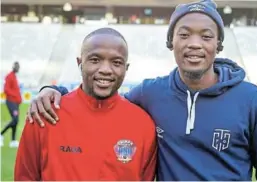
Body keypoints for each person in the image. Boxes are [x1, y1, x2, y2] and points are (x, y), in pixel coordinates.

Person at [26, 0, 257, 181]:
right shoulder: (150, 93)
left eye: (206, 36)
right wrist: (53, 89)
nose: (194, 44)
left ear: (219, 44)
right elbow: (102, 96)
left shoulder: (252, 100)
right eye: (184, 35)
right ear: (171, 42)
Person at [15, 28, 157, 181]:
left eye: (116, 62)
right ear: (80, 63)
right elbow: (25, 177)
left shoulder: (144, 125)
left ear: (126, 68)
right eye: (95, 60)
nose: (105, 70)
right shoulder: (45, 113)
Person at [1, 61, 22, 148]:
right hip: (11, 101)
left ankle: (13, 140)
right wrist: (15, 95)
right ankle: (1, 134)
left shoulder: (14, 76)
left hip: (15, 102)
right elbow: (6, 89)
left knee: (16, 121)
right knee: (15, 119)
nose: (18, 68)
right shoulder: (9, 76)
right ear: (14, 67)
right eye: (17, 67)